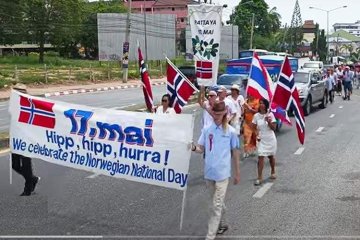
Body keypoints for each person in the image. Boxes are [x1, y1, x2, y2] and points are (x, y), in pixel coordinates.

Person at [191, 100, 240, 240]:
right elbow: (201, 148)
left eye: (219, 113)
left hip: (223, 174)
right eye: (215, 113)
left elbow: (235, 152)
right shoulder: (207, 130)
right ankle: (223, 223)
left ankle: (210, 236)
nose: (216, 116)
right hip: (209, 172)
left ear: (225, 113)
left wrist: (237, 173)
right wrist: (193, 147)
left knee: (216, 205)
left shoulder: (230, 131)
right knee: (215, 202)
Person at [11, 83, 40, 196]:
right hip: (17, 139)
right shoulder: (14, 104)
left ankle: (27, 190)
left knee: (26, 166)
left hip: (27, 139)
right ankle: (33, 179)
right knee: (15, 165)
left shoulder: (30, 105)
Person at [252, 99, 277, 186]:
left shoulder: (270, 115)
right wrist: (257, 135)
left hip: (270, 138)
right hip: (261, 139)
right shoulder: (256, 116)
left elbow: (274, 128)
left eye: (262, 103)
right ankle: (259, 177)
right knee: (260, 157)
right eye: (260, 103)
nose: (261, 105)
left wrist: (268, 121)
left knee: (270, 157)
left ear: (266, 105)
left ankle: (273, 170)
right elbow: (253, 127)